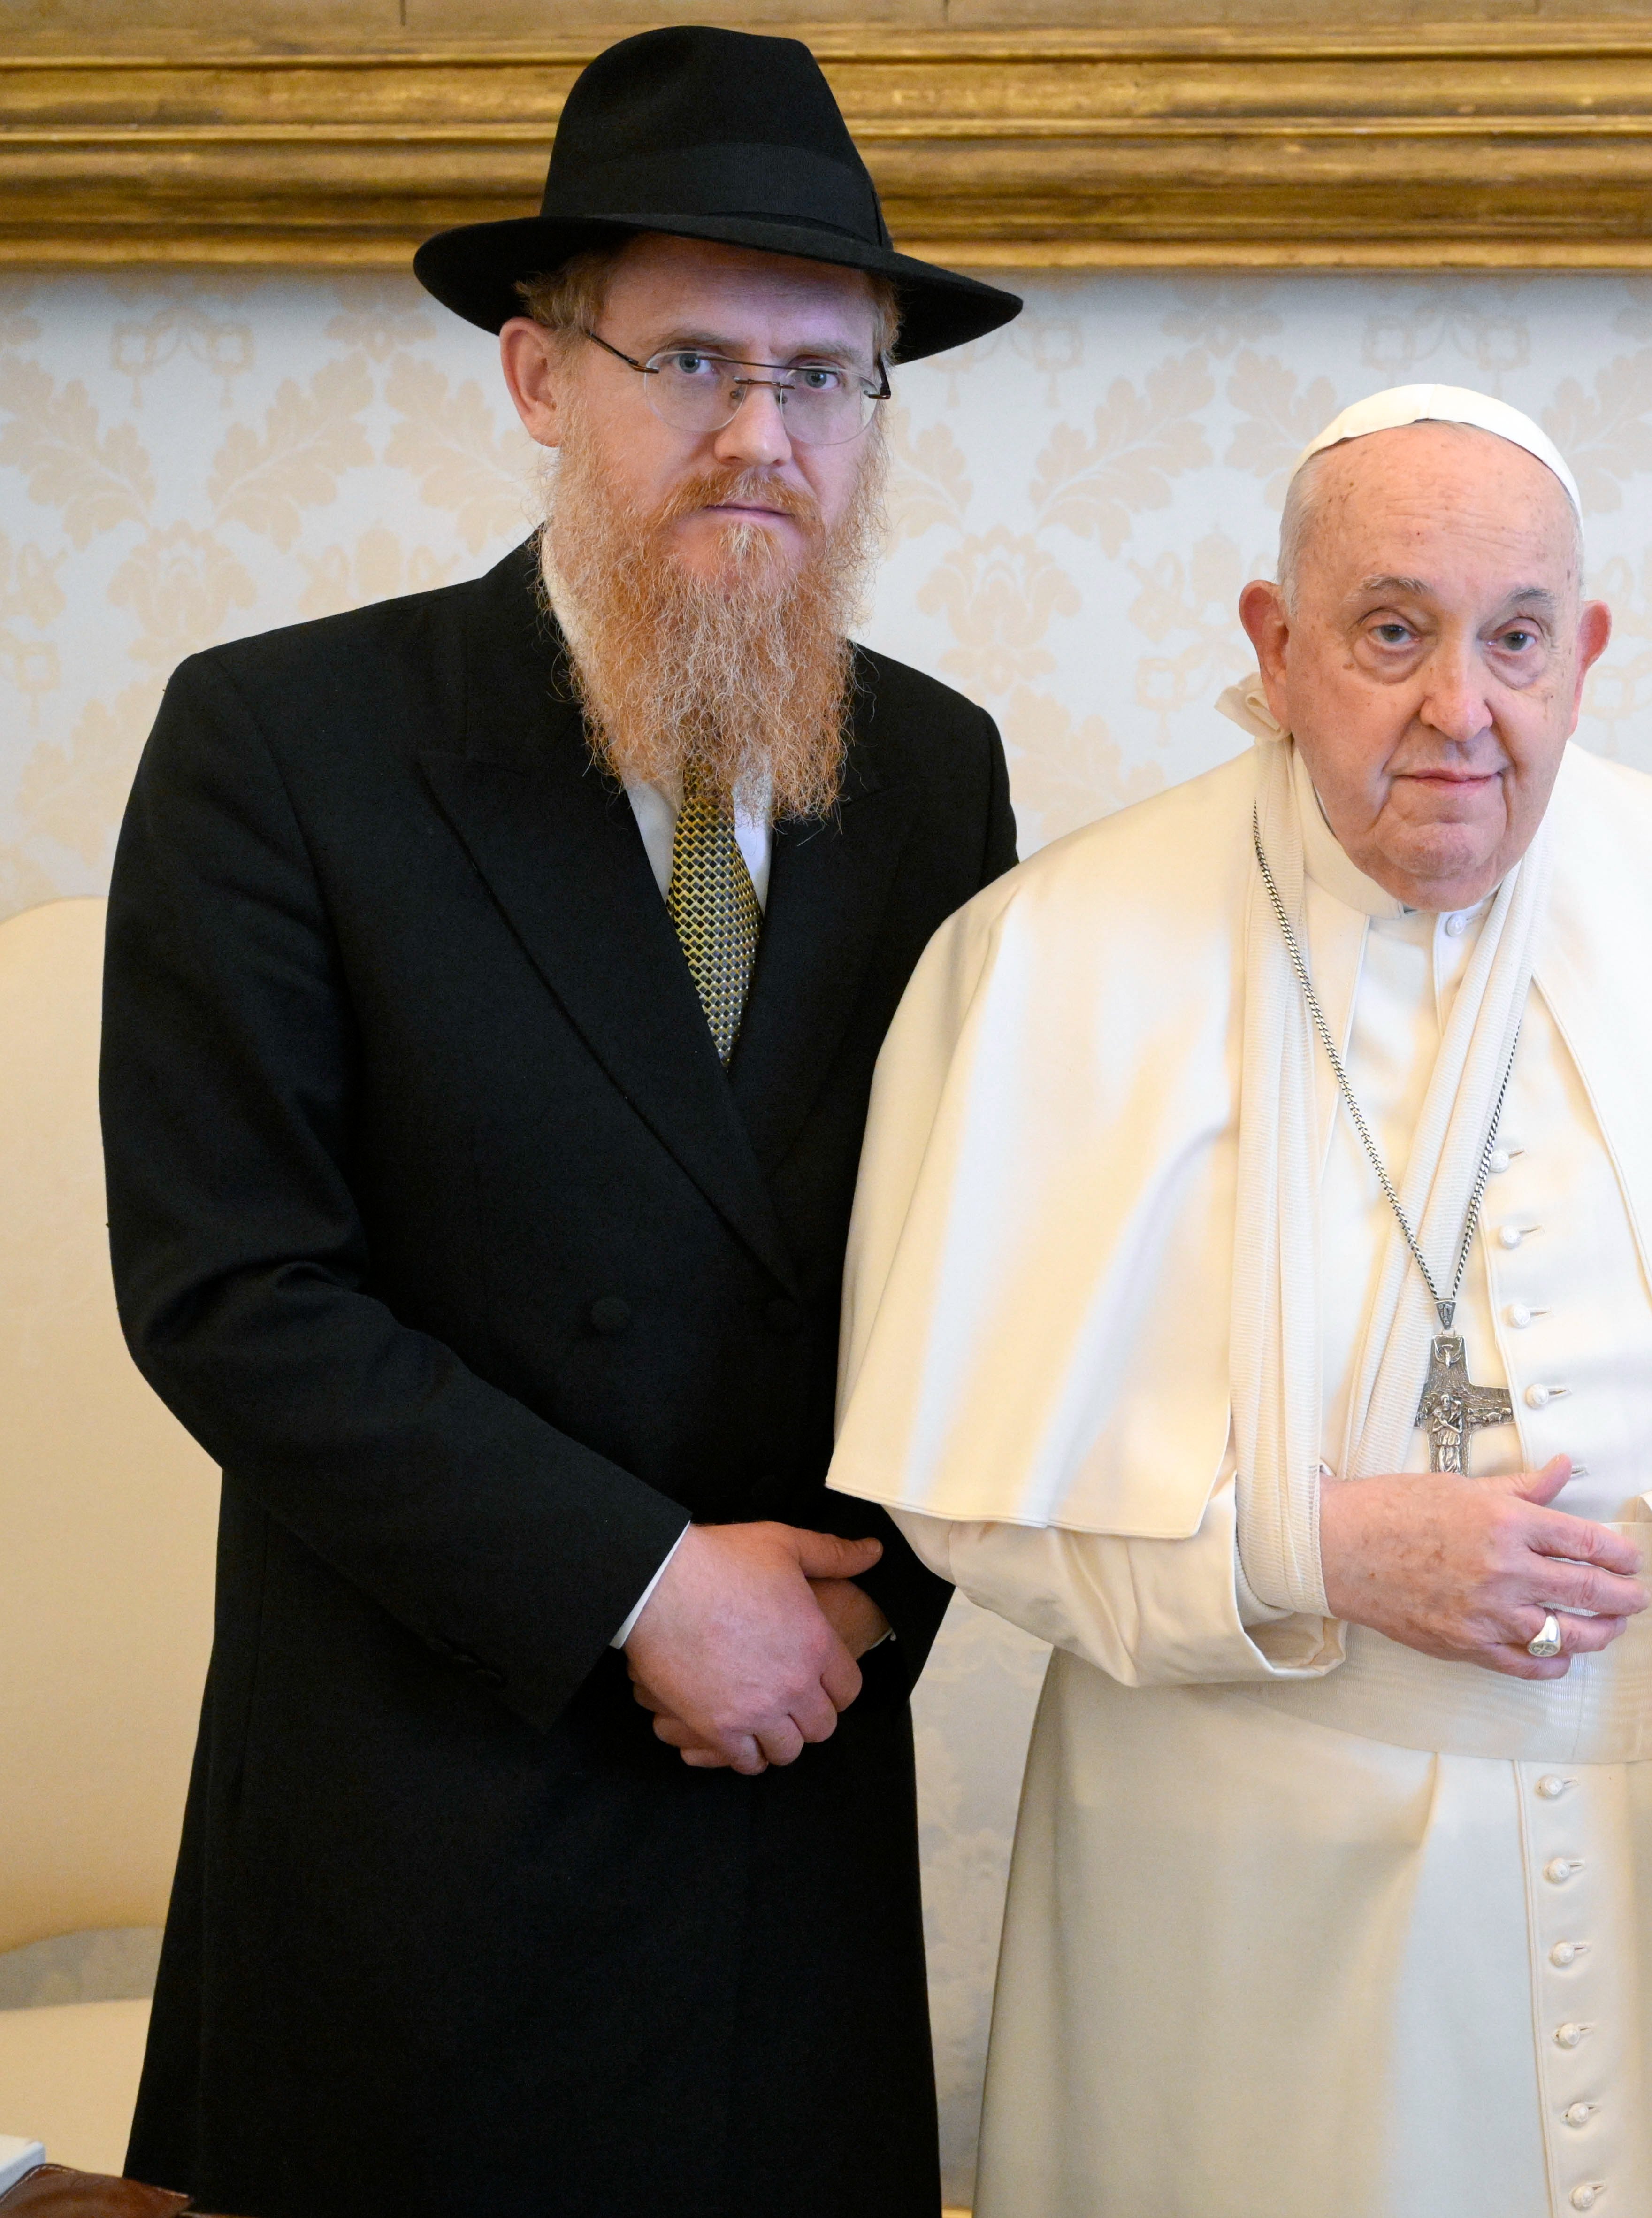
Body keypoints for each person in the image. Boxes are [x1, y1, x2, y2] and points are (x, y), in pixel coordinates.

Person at [826, 384, 1652, 2217]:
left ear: (1586, 653)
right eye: (1393, 633)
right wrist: (1315, 1551)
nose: (1461, 705)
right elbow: (968, 1484)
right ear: (1273, 644)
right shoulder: (1062, 949)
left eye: (1516, 638)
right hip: (1252, 1896)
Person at [100, 28, 1022, 2218]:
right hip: (433, 1808)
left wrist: (842, 1617)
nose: (759, 437)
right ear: (537, 378)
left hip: (784, 1780)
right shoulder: (283, 741)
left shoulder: (937, 773)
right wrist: (635, 1587)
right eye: (690, 358)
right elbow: (235, 1290)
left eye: (823, 375)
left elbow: (986, 1257)